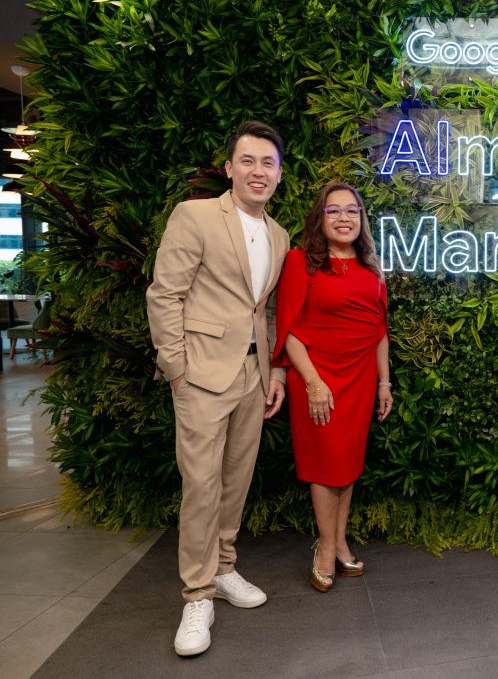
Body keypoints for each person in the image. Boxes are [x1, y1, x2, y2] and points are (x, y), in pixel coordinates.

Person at [147, 120, 290, 655]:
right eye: (248, 161)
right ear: (229, 168)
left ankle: (225, 569)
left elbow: (268, 309)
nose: (258, 171)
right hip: (202, 375)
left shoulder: (278, 235)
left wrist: (274, 371)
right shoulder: (197, 215)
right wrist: (177, 368)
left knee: (235, 480)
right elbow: (165, 295)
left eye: (268, 163)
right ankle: (197, 594)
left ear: (279, 174)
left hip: (253, 375)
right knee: (201, 487)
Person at [273, 181, 392, 593]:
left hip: (359, 382)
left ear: (362, 219)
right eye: (334, 211)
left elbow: (380, 332)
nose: (344, 218)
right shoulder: (300, 262)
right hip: (317, 378)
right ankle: (325, 548)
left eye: (352, 211)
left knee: (347, 466)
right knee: (325, 467)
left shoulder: (371, 269)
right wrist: (312, 384)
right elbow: (286, 327)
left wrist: (384, 383)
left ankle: (340, 541)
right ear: (319, 219)